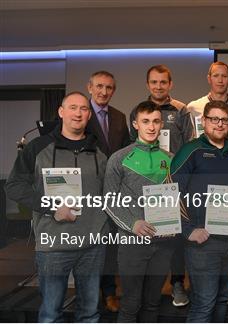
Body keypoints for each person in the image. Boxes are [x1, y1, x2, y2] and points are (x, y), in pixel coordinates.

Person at [5, 91, 109, 322]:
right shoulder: (38, 148)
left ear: (89, 114)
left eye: (83, 109)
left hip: (92, 245)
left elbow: (109, 193)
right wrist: (52, 206)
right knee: (51, 312)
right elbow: (14, 186)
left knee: (90, 311)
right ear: (61, 112)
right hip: (54, 245)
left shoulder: (99, 151)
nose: (78, 113)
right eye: (73, 107)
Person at [170, 100, 228, 322]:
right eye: (214, 119)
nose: (219, 124)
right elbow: (169, 192)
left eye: (224, 120)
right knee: (204, 303)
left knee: (222, 299)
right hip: (203, 243)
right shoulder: (191, 151)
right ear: (204, 121)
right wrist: (189, 230)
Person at [104, 100, 177, 322]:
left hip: (163, 243)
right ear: (135, 124)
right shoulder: (119, 158)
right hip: (132, 243)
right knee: (131, 302)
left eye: (156, 121)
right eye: (145, 121)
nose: (151, 127)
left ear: (161, 123)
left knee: (153, 302)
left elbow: (178, 199)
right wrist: (133, 224)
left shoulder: (171, 159)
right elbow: (109, 201)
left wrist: (174, 223)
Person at [130, 64, 194, 307]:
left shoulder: (181, 110)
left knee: (175, 237)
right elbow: (133, 145)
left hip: (173, 181)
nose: (158, 86)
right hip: (145, 182)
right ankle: (149, 287)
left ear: (170, 84)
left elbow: (189, 145)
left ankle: (177, 284)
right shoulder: (137, 111)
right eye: (154, 82)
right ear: (148, 84)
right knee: (149, 235)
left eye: (163, 82)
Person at [86, 70, 130, 312]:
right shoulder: (80, 113)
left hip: (114, 192)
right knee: (91, 246)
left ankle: (110, 292)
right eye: (100, 86)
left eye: (109, 88)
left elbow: (124, 152)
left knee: (111, 245)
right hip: (89, 191)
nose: (104, 92)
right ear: (89, 87)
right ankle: (90, 295)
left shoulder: (119, 117)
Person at [187, 61, 228, 151]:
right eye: (216, 76)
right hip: (202, 158)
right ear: (209, 79)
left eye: (224, 76)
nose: (220, 80)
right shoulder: (193, 107)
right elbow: (188, 142)